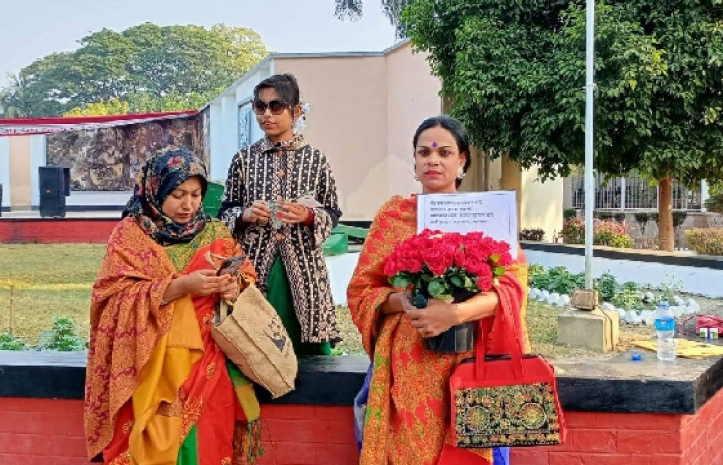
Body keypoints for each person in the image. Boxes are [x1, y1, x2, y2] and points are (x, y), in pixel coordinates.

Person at [346, 116, 529, 465]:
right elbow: (361, 291)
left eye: (444, 152)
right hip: (407, 366)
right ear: (415, 161)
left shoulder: (487, 214)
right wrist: (404, 301)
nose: (433, 160)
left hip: (474, 361)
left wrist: (454, 314)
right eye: (424, 152)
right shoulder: (394, 216)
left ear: (462, 161)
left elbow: (512, 288)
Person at [84, 147, 263, 465]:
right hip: (151, 363)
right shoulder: (130, 236)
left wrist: (232, 287)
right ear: (155, 190)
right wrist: (180, 287)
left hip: (209, 361)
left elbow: (246, 278)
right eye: (177, 195)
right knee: (153, 443)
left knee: (207, 445)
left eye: (196, 195)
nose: (188, 205)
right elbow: (110, 301)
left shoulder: (215, 232)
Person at [218, 73, 342, 355]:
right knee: (256, 347)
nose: (267, 114)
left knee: (307, 347)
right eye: (260, 106)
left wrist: (307, 216)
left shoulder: (316, 160)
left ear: (296, 111)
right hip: (255, 265)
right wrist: (245, 214)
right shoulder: (244, 160)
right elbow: (225, 211)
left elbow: (332, 211)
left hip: (304, 266)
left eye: (276, 106)